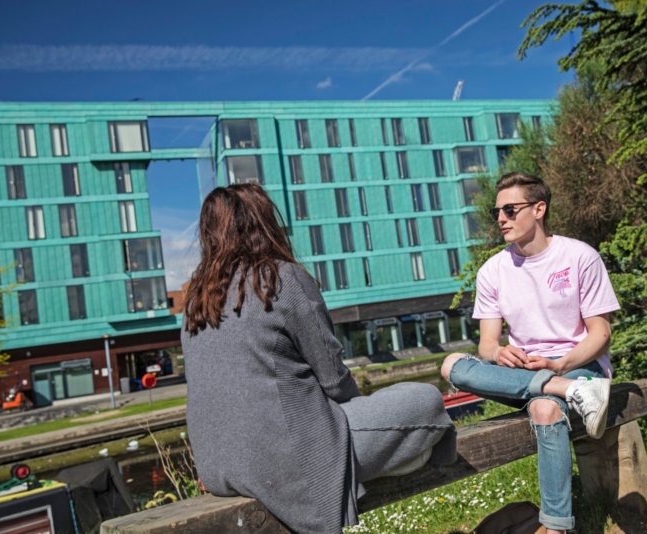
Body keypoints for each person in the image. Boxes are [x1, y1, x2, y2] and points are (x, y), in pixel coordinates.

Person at [182, 184, 455, 534]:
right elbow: (334, 380)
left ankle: (389, 460)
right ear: (264, 222)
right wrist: (357, 416)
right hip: (288, 459)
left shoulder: (196, 302)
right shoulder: (280, 277)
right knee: (426, 399)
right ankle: (407, 461)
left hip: (217, 467)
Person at [441, 172, 620, 534]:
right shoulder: (493, 270)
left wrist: (559, 365)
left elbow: (601, 334)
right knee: (451, 365)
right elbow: (487, 344)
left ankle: (555, 528)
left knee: (543, 407)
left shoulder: (579, 256)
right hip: (525, 375)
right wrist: (499, 354)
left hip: (580, 368)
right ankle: (561, 390)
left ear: (539, 209)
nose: (501, 219)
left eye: (510, 209)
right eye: (497, 213)